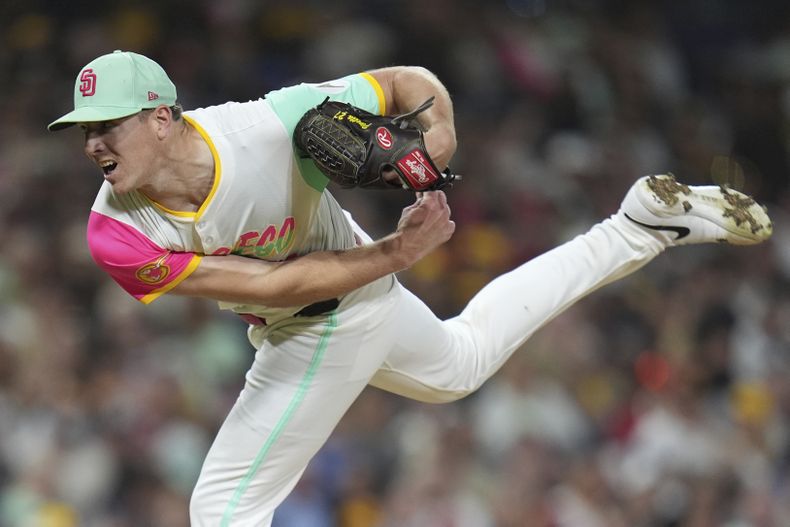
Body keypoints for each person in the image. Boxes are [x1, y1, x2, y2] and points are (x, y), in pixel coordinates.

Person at [49, 50, 772, 526]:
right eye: (83, 129)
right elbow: (274, 282)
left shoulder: (269, 125)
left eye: (106, 124)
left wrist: (434, 148)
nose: (91, 145)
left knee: (220, 511)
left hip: (330, 312)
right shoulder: (116, 231)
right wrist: (396, 252)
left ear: (161, 117)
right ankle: (637, 227)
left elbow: (408, 83)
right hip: (324, 288)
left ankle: (636, 227)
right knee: (459, 364)